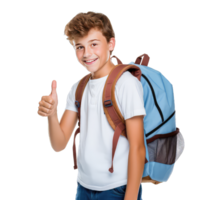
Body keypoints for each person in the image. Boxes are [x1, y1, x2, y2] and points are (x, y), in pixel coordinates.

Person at [36, 11, 146, 200]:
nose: (86, 53)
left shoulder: (126, 84)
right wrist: (52, 115)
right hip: (83, 187)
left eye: (94, 44)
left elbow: (138, 147)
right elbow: (59, 144)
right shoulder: (78, 87)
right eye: (79, 47)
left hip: (118, 188)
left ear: (111, 43)